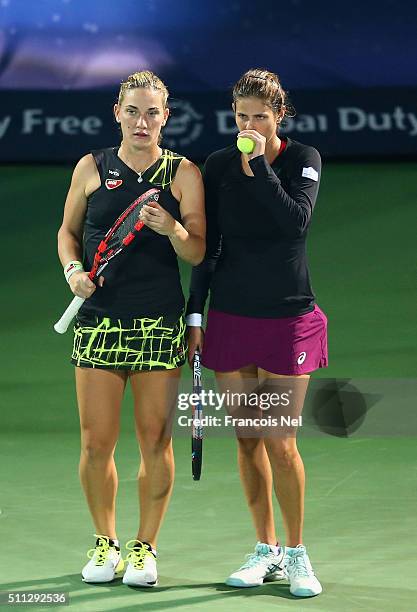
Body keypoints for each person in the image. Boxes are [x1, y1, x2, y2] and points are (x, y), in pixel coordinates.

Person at [57, 70, 205, 586]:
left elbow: (197, 251)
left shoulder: (183, 173)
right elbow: (67, 233)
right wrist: (73, 271)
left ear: (166, 117)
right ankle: (105, 543)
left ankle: (145, 549)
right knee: (96, 443)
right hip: (98, 325)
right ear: (117, 112)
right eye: (133, 111)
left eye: (153, 112)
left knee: (155, 443)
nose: (142, 121)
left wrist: (174, 228)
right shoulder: (91, 167)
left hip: (158, 326)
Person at [187, 68, 327, 598]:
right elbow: (208, 248)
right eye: (242, 116)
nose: (249, 125)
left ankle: (297, 554)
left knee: (280, 440)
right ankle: (264, 549)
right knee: (247, 439)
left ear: (279, 116)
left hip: (287, 320)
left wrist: (259, 166)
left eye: (260, 118)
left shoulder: (302, 160)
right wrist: (195, 315)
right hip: (230, 318)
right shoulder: (217, 166)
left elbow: (294, 223)